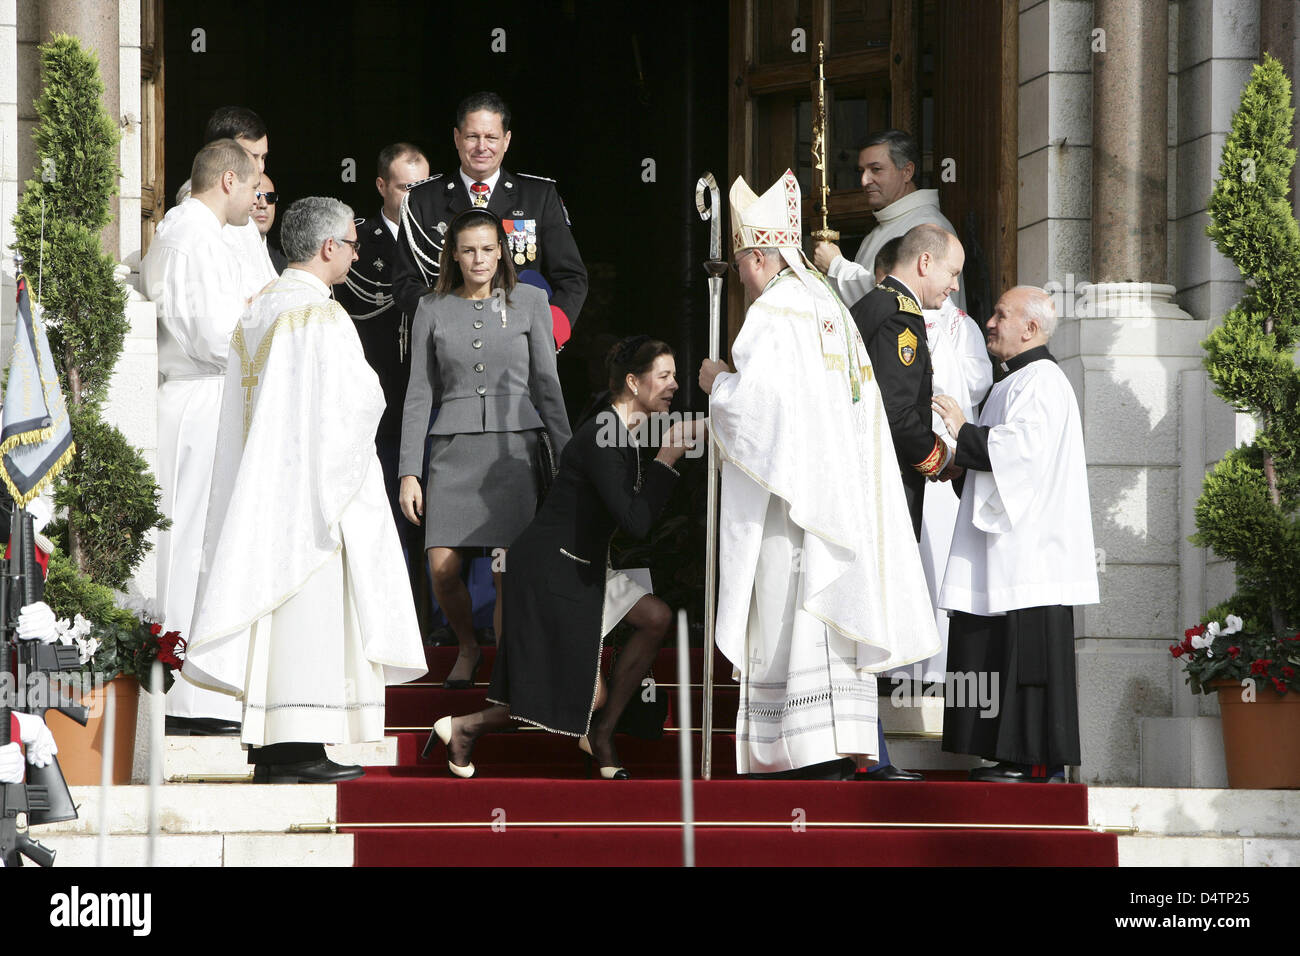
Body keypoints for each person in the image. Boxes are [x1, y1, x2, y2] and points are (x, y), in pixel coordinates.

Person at [699, 170, 939, 779]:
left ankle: (798, 752)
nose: (742, 276)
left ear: (756, 254)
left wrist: (717, 385)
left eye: (742, 261)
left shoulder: (776, 310)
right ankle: (834, 745)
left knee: (789, 611)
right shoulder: (826, 304)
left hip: (794, 503)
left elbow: (763, 411)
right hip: (837, 499)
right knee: (823, 623)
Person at [184, 197, 428, 784]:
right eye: (351, 242)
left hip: (264, 488)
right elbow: (354, 403)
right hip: (311, 497)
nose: (356, 251)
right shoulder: (320, 315)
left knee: (278, 617)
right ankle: (298, 746)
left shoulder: (260, 308)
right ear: (327, 249)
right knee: (308, 613)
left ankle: (272, 747)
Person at [427, 337, 701, 779]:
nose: (674, 386)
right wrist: (668, 458)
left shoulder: (620, 432)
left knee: (655, 617)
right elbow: (635, 522)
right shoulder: (600, 435)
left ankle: (602, 735)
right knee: (582, 696)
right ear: (633, 383)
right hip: (553, 570)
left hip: (585, 566)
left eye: (675, 376)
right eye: (664, 376)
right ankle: (464, 727)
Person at [398, 208, 571, 689]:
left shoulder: (532, 301)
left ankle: (505, 672)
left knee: (505, 572)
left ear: (502, 251)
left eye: (489, 249)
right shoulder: (431, 307)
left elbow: (547, 386)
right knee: (442, 568)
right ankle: (468, 646)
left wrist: (570, 459)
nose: (480, 259)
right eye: (469, 249)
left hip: (512, 455)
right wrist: (409, 470)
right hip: (451, 453)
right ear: (454, 253)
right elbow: (418, 394)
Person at [932, 286, 1099, 783]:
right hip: (1006, 550)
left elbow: (1021, 453)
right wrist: (961, 465)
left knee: (1024, 655)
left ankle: (1032, 760)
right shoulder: (1013, 381)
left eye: (1001, 314)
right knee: (988, 643)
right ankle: (1004, 752)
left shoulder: (1043, 381)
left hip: (1032, 556)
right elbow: (1000, 461)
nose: (989, 321)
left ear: (1031, 328)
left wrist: (964, 431)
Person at [141, 139, 259, 736]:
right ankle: (186, 694)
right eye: (256, 186)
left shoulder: (202, 232)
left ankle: (201, 688)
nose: (259, 199)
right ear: (230, 179)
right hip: (200, 399)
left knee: (208, 541)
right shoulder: (191, 233)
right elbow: (212, 333)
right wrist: (258, 316)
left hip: (211, 398)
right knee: (192, 541)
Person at [872, 237, 992, 685]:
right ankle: (896, 670)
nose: (956, 287)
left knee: (940, 564)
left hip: (934, 456)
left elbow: (977, 379)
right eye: (952, 274)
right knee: (904, 568)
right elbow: (897, 405)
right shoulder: (896, 316)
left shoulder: (959, 325)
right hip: (915, 460)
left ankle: (935, 671)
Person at [391, 91, 587, 349]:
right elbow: (405, 282)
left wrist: (547, 335)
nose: (482, 147)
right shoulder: (423, 199)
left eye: (491, 137)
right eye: (472, 136)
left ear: (506, 140)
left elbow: (572, 278)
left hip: (521, 350)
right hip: (448, 347)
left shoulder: (538, 197)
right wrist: (447, 323)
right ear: (457, 138)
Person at [335, 143, 431, 569]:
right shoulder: (355, 243)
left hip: (439, 404)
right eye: (405, 187)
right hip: (381, 404)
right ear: (380, 186)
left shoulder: (451, 241)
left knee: (447, 523)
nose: (415, 197)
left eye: (424, 186)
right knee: (386, 521)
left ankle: (459, 618)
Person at [813, 129, 966, 310]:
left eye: (876, 169)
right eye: (861, 171)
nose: (864, 180)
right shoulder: (878, 231)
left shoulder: (928, 227)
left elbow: (903, 302)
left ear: (907, 172)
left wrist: (836, 266)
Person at [172, 106, 277, 300]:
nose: (260, 167)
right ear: (222, 151)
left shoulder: (237, 211)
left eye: (263, 157)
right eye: (253, 156)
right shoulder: (201, 216)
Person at [253, 173, 285, 273]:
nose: (263, 204)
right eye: (256, 196)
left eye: (270, 197)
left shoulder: (284, 264)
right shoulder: (223, 253)